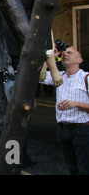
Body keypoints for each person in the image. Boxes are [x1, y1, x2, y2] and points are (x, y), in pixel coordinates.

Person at [41, 46, 89, 175]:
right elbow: (39, 74)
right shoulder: (58, 76)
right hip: (63, 131)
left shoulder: (86, 78)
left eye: (70, 53)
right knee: (72, 169)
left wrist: (76, 104)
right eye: (63, 53)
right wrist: (51, 57)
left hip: (83, 132)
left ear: (79, 60)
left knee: (85, 170)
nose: (65, 54)